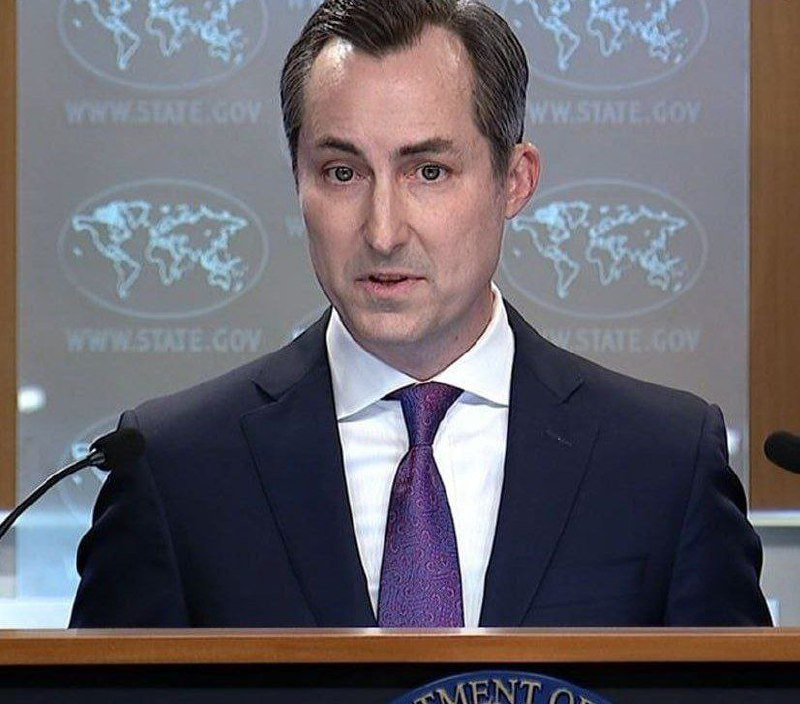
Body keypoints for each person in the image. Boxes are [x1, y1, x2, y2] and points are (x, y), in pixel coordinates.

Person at [69, 0, 771, 628]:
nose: (382, 231)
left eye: (428, 171)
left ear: (514, 181)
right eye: (342, 172)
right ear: (298, 181)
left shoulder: (664, 461)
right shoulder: (175, 467)